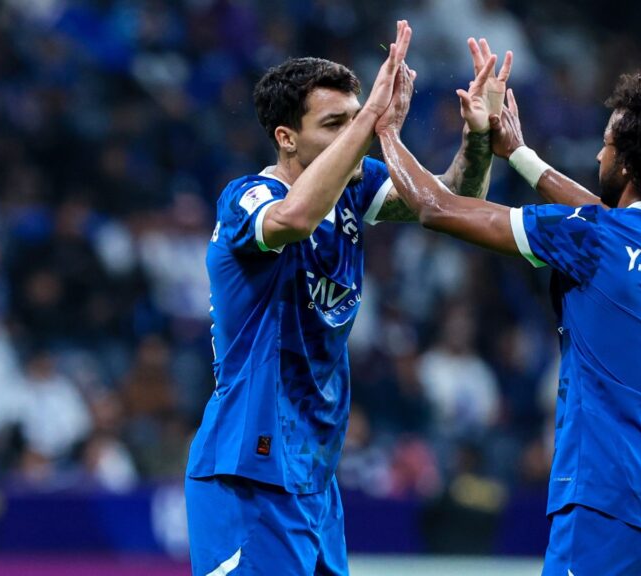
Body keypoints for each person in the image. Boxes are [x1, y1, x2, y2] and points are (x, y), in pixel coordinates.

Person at [375, 48, 641, 575]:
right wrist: (519, 155)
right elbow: (605, 218)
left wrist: (386, 132)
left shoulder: (595, 238)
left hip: (609, 494)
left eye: (606, 145)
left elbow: (436, 207)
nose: (599, 156)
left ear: (627, 164)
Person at [184, 22, 513, 576]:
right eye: (334, 123)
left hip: (314, 472)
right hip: (249, 466)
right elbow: (293, 218)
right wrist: (368, 124)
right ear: (286, 137)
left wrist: (477, 137)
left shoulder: (354, 190)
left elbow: (453, 201)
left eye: (356, 115)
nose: (354, 134)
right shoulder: (247, 198)